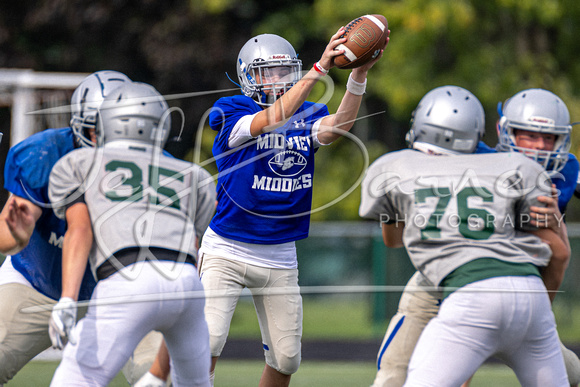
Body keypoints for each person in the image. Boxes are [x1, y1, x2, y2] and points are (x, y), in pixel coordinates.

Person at [135, 27, 389, 387]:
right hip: (228, 248)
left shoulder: (306, 111)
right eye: (268, 71)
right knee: (206, 342)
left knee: (286, 359)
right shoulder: (231, 109)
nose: (278, 79)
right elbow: (270, 120)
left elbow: (338, 127)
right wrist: (320, 69)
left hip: (280, 255)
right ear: (248, 76)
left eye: (285, 70)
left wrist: (358, 75)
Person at [360, 85, 570, 386]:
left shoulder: (397, 167)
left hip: (472, 288)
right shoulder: (509, 164)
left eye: (548, 138)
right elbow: (559, 254)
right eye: (529, 135)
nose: (538, 147)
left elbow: (560, 253)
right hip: (506, 289)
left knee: (407, 376)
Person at [48, 81, 216, 386]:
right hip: (187, 285)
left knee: (76, 380)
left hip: (128, 278)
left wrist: (68, 299)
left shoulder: (80, 162)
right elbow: (191, 246)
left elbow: (80, 229)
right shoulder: (194, 175)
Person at [0, 70, 130, 385]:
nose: (108, 139)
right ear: (80, 126)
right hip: (37, 284)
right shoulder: (43, 154)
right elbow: (11, 238)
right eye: (99, 129)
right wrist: (16, 235)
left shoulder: (157, 167)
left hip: (121, 296)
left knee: (162, 375)